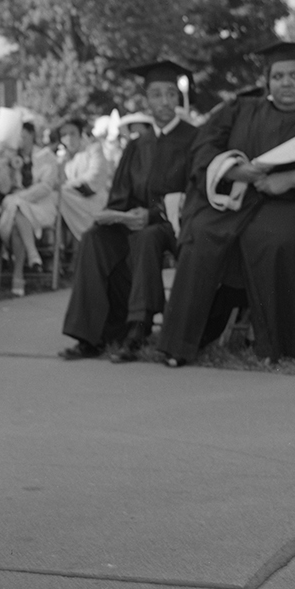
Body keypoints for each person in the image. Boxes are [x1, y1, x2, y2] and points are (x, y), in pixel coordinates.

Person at [155, 42, 295, 365]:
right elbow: (203, 148)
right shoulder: (241, 109)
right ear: (268, 80)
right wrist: (234, 169)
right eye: (278, 75)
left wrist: (289, 179)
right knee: (202, 233)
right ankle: (182, 341)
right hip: (240, 199)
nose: (285, 82)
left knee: (276, 239)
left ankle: (283, 341)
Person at [59, 60, 199, 363]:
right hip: (135, 220)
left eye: (170, 95)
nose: (164, 101)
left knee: (146, 236)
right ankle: (91, 336)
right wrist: (114, 215)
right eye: (157, 95)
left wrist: (150, 215)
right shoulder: (138, 145)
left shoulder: (193, 138)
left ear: (177, 98)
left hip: (173, 223)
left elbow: (194, 192)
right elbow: (120, 194)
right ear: (146, 99)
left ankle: (139, 328)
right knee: (95, 238)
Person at [0, 119, 63, 297]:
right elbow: (3, 188)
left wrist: (20, 197)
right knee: (16, 210)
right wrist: (3, 165)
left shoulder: (45, 156)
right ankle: (32, 257)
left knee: (16, 209)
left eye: (23, 137)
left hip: (39, 206)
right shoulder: (11, 157)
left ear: (32, 135)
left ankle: (19, 275)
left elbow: (46, 186)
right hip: (15, 207)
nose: (20, 141)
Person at [56, 117, 114, 243]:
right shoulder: (62, 160)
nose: (69, 138)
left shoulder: (93, 150)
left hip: (93, 201)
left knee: (59, 195)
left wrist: (66, 187)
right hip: (70, 204)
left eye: (72, 133)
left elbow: (95, 177)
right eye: (64, 135)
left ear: (80, 134)